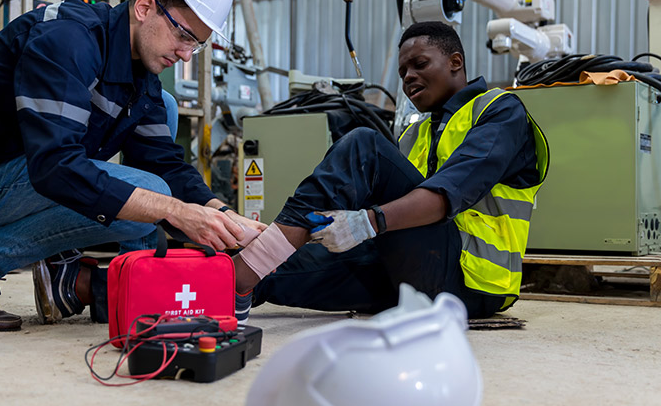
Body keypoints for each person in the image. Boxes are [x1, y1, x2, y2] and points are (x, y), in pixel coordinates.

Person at [0, 0, 264, 333]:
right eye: (184, 35)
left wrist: (221, 215)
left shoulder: (140, 75)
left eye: (195, 44)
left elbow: (162, 161)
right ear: (145, 7)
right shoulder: (67, 40)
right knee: (151, 199)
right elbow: (55, 168)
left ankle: (122, 291)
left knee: (161, 119)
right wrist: (175, 210)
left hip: (19, 176)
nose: (185, 55)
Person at [232, 21, 549, 320]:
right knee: (278, 271)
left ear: (455, 62)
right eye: (403, 71)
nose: (408, 76)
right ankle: (226, 284)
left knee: (363, 145)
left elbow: (446, 194)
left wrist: (368, 222)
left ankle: (252, 263)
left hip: (473, 282)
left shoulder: (498, 110)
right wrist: (329, 226)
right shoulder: (415, 134)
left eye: (419, 64)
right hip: (414, 272)